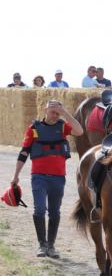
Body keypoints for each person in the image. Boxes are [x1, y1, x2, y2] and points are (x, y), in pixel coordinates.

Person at [12, 99, 83, 257]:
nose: (55, 114)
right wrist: (16, 176)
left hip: (58, 177)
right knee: (39, 209)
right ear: (45, 110)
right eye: (53, 111)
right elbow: (24, 152)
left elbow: (80, 131)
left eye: (58, 112)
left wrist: (64, 113)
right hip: (39, 176)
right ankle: (42, 245)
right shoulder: (34, 128)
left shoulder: (63, 126)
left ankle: (51, 246)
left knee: (54, 212)